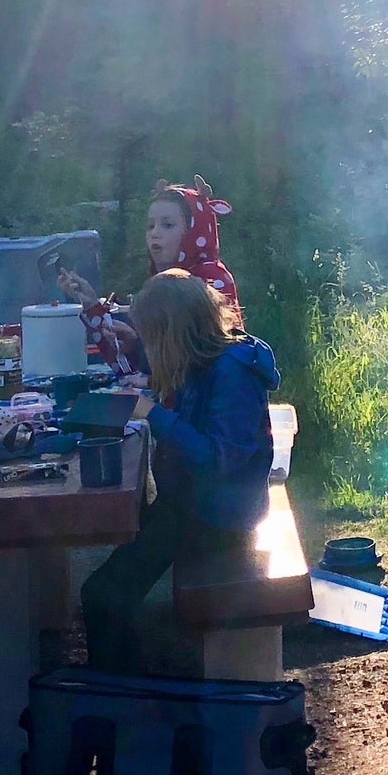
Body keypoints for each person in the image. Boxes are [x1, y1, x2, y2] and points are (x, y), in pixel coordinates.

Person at [79, 269, 277, 674]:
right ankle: (126, 674)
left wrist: (154, 415)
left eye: (152, 339)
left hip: (220, 517)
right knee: (110, 583)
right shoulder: (205, 360)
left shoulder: (231, 374)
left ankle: (117, 694)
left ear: (173, 334)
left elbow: (222, 458)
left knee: (102, 594)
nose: (150, 349)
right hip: (191, 503)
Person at [58, 177, 239, 376]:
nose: (155, 233)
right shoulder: (161, 285)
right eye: (150, 226)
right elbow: (139, 371)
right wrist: (94, 308)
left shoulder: (211, 282)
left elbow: (201, 371)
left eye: (167, 225)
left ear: (195, 232)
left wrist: (151, 382)